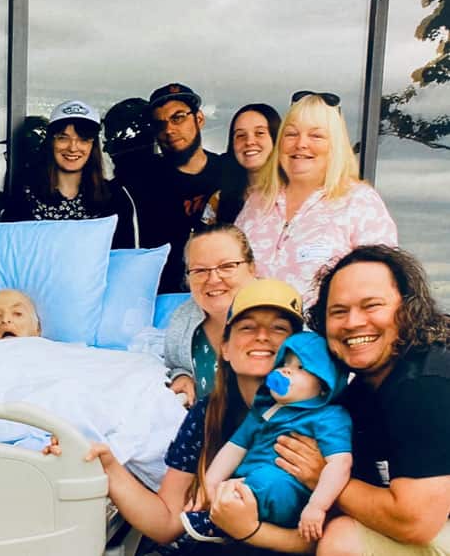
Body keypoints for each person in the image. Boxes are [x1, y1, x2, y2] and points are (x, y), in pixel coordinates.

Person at [46, 279, 313, 553]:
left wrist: (251, 531)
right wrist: (108, 466)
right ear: (226, 348)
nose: (262, 336)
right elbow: (167, 522)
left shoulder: (317, 421)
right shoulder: (207, 414)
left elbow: (324, 537)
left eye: (279, 328)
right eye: (247, 327)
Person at [277, 245, 450, 554]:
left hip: (430, 523)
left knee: (342, 538)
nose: (354, 322)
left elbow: (415, 521)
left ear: (408, 310)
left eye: (372, 306)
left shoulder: (425, 385)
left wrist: (323, 477)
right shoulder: (362, 391)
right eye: (338, 311)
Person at [180, 331, 352, 545]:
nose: (286, 370)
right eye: (284, 363)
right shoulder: (266, 409)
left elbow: (340, 463)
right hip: (249, 478)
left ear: (324, 386)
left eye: (301, 368)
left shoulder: (330, 417)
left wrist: (317, 506)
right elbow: (235, 447)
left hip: (292, 491)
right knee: (243, 482)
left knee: (271, 482)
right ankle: (222, 508)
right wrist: (209, 486)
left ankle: (226, 515)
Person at [236, 91, 397, 306]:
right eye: (291, 134)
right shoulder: (257, 201)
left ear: (335, 146)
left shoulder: (360, 202)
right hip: (254, 335)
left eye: (316, 136)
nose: (301, 144)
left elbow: (378, 288)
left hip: (322, 337)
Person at [124, 83, 223, 293]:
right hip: (162, 300)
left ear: (199, 119)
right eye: (160, 124)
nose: (169, 130)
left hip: (221, 292)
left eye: (178, 117)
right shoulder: (142, 184)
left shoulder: (229, 173)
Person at [3, 100, 138, 249]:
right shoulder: (25, 195)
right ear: (51, 142)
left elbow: (125, 257)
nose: (73, 148)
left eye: (83, 139)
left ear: (93, 146)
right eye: (63, 138)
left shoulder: (115, 197)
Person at [165, 224, 258, 406]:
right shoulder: (182, 321)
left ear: (252, 268)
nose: (213, 279)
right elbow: (176, 365)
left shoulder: (283, 319)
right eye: (200, 270)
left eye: (227, 266)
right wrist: (182, 376)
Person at [203, 103, 281, 225]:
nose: (249, 142)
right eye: (240, 135)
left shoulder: (296, 194)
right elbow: (202, 241)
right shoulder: (219, 199)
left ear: (276, 139)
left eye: (259, 133)